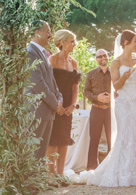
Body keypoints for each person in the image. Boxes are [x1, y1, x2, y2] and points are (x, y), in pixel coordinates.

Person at [80, 30, 136, 187]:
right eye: (135, 41)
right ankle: (121, 171)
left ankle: (135, 173)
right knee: (124, 135)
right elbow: (116, 86)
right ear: (126, 43)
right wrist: (124, 77)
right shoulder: (116, 62)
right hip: (124, 102)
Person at [26, 20, 64, 160]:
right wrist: (55, 104)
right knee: (33, 153)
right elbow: (38, 84)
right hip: (37, 111)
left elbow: (51, 81)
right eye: (47, 31)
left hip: (47, 111)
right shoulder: (30, 53)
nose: (50, 34)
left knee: (41, 153)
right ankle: (31, 181)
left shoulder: (42, 53)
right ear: (37, 32)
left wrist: (59, 99)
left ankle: (37, 180)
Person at [47, 29, 81, 175]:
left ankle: (60, 174)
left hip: (68, 106)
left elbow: (75, 87)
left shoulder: (74, 63)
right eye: (72, 41)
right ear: (63, 42)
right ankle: (51, 174)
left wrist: (72, 105)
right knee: (53, 140)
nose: (75, 44)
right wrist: (57, 105)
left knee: (64, 139)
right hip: (54, 104)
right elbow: (48, 84)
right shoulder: (52, 60)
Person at [83, 49, 113, 171]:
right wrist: (97, 98)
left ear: (108, 57)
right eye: (99, 56)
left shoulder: (115, 73)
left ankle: (111, 166)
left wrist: (112, 97)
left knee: (112, 138)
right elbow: (86, 91)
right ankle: (92, 167)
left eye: (104, 55)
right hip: (96, 109)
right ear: (96, 59)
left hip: (111, 110)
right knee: (94, 138)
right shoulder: (90, 74)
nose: (102, 58)